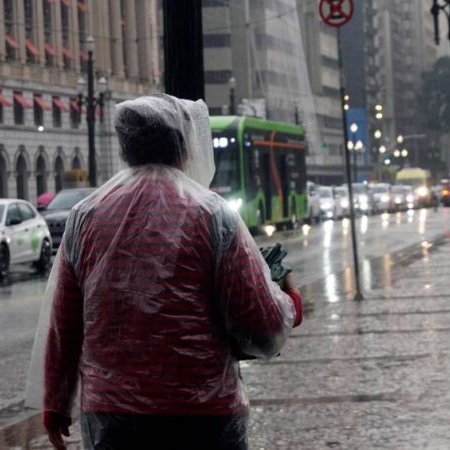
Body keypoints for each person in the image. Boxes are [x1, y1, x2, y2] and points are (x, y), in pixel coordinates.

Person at [29, 95, 302, 450]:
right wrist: (291, 301)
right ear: (184, 146)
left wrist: (56, 405)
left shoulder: (86, 216)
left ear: (125, 147)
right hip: (203, 415)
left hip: (112, 417)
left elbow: (64, 323)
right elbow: (262, 325)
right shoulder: (212, 214)